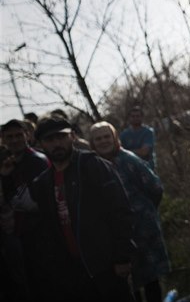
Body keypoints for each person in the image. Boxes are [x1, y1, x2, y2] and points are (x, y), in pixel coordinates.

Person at [26, 116, 135, 302]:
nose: (56, 144)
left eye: (61, 137)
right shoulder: (42, 183)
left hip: (106, 264)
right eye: (49, 140)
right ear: (41, 144)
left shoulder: (94, 165)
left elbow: (120, 211)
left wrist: (122, 256)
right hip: (73, 272)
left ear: (73, 137)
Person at [89, 121, 170, 302]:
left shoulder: (129, 159)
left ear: (115, 137)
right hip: (117, 238)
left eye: (106, 136)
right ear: (92, 143)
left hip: (144, 230)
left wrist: (146, 211)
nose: (103, 141)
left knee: (151, 280)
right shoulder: (93, 167)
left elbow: (155, 187)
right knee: (129, 285)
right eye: (98, 138)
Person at [0, 119, 49, 302]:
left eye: (18, 135)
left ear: (27, 135)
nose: (14, 140)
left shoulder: (37, 161)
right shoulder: (9, 164)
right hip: (21, 235)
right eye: (9, 137)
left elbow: (36, 201)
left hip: (41, 233)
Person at [120, 106, 157, 170]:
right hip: (130, 169)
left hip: (147, 168)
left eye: (137, 116)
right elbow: (119, 152)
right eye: (133, 116)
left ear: (142, 117)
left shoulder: (148, 132)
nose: (135, 118)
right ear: (129, 118)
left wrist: (126, 152)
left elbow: (144, 152)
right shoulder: (124, 134)